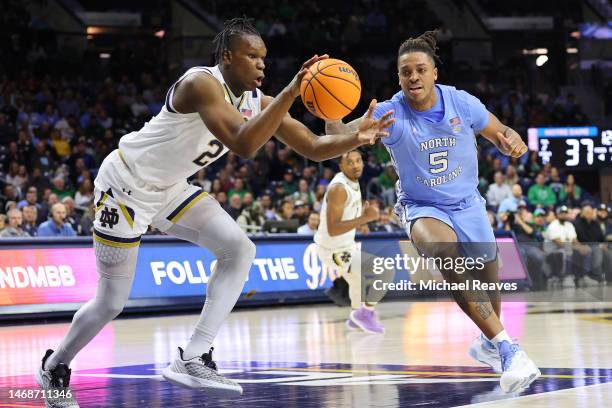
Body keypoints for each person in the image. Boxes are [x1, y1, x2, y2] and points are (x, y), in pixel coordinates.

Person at [36, 17, 393, 408]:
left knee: (239, 250)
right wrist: (292, 92)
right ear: (226, 57)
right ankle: (56, 364)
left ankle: (193, 355)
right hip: (124, 186)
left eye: (264, 57)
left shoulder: (257, 101)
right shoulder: (199, 83)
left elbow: (311, 144)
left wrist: (356, 132)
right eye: (252, 56)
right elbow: (243, 143)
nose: (261, 64)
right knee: (111, 301)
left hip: (170, 189)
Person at [326, 31, 539, 392]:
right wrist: (331, 115)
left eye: (420, 70)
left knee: (490, 281)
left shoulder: (462, 103)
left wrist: (510, 139)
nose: (413, 77)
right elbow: (337, 141)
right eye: (405, 72)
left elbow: (500, 131)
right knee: (447, 256)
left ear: (434, 72)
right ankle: (508, 348)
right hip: (422, 206)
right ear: (398, 77)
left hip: (468, 204)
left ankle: (489, 342)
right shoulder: (389, 112)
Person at [314, 150, 384, 333]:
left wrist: (360, 220)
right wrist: (364, 219)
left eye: (358, 160)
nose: (356, 165)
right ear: (341, 166)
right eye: (350, 162)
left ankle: (356, 317)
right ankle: (365, 313)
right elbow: (333, 228)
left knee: (357, 280)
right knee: (384, 272)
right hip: (333, 250)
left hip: (345, 245)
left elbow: (346, 214)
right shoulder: (338, 188)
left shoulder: (353, 181)